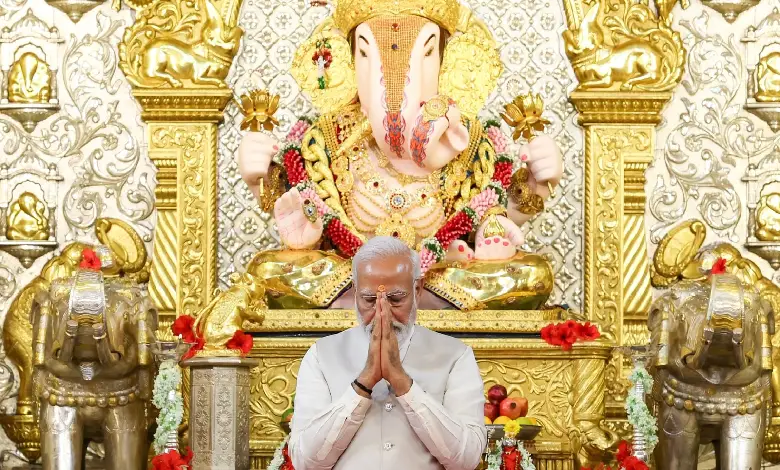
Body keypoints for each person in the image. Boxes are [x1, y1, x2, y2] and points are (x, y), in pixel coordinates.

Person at [289, 236, 487, 469]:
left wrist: (404, 384)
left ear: (417, 289)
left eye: (395, 299)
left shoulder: (456, 356)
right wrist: (363, 384)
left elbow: (467, 459)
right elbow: (306, 462)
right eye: (369, 299)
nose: (383, 312)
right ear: (354, 292)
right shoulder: (321, 357)